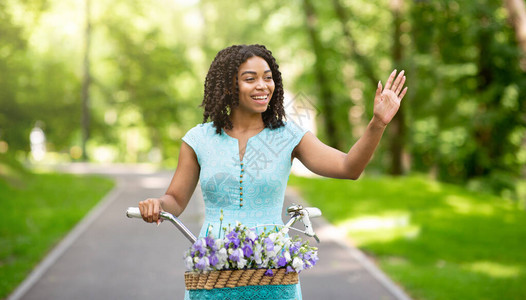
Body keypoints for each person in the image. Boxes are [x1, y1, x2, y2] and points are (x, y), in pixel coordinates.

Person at [138, 44, 407, 300]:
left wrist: (377, 123)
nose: (262, 86)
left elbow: (349, 167)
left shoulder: (289, 135)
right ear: (229, 85)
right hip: (213, 270)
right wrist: (157, 204)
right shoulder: (198, 139)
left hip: (273, 271)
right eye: (250, 78)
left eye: (268, 78)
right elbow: (175, 199)